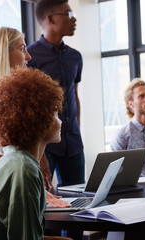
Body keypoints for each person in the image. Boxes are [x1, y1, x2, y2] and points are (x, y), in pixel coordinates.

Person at [0, 27, 69, 240]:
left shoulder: (23, 96)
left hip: (14, 169)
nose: (28, 56)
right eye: (22, 48)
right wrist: (3, 182)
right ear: (2, 52)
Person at [0, 67, 65, 240]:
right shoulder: (23, 169)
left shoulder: (15, 160)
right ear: (39, 119)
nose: (60, 121)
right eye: (55, 113)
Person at [27, 0, 84, 188]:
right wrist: (39, 155)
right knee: (44, 201)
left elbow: (74, 95)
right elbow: (30, 108)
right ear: (51, 19)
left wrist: (77, 131)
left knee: (80, 200)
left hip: (73, 143)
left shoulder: (75, 57)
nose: (73, 18)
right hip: (45, 146)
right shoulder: (30, 57)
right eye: (68, 14)